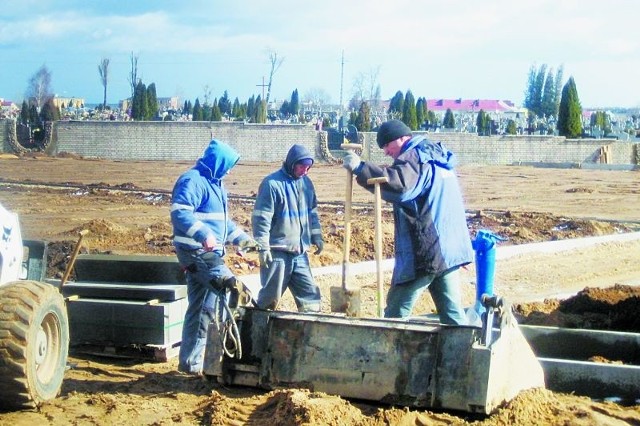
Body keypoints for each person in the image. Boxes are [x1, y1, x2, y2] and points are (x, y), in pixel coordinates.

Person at [342, 120, 473, 324]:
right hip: (449, 251)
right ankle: (465, 354)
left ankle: (389, 355)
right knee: (454, 317)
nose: (386, 151)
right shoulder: (436, 157)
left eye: (386, 145)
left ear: (402, 138)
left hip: (426, 251)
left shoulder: (415, 157)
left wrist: (360, 168)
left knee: (396, 313)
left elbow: (399, 186)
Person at [170, 139, 257, 374]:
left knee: (202, 311)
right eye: (227, 165)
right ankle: (220, 357)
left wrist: (245, 241)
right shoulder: (193, 181)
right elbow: (180, 213)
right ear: (217, 162)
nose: (229, 171)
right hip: (196, 253)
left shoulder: (216, 186)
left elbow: (223, 224)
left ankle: (191, 363)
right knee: (232, 286)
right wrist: (203, 234)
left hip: (210, 254)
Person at [251, 144, 323, 312]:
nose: (305, 171)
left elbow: (312, 214)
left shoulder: (306, 184)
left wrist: (316, 237)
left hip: (300, 254)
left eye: (308, 168)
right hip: (277, 253)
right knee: (269, 299)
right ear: (292, 164)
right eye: (301, 167)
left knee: (311, 297)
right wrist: (262, 247)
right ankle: (258, 332)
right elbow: (262, 219)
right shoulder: (272, 184)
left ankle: (309, 331)